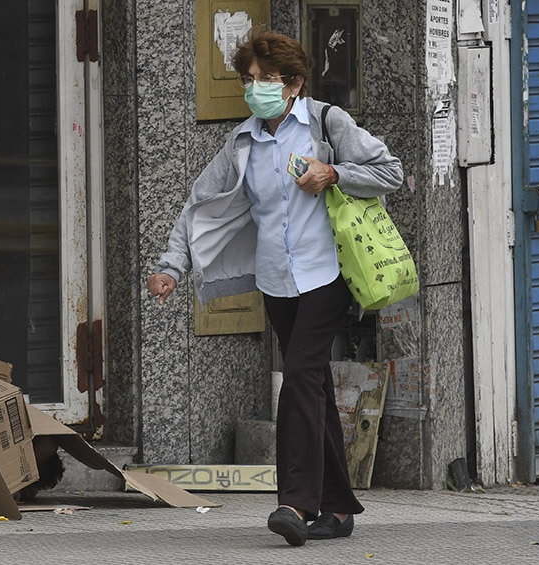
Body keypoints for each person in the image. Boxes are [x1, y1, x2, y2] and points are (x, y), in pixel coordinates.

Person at [147, 28, 402, 546]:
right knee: (315, 387)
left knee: (301, 376)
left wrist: (333, 173)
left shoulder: (329, 123)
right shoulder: (243, 141)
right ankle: (336, 509)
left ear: (294, 83)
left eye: (264, 79)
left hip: (327, 275)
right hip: (277, 283)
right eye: (248, 79)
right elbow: (201, 204)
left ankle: (294, 503)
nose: (253, 88)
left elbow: (391, 171)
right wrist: (172, 266)